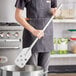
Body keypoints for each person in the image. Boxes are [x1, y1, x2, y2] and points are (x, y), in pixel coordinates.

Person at [15, 0, 57, 76]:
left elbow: (53, 9)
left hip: (47, 33)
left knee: (44, 70)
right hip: (31, 34)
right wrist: (33, 31)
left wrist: (56, 12)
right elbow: (18, 16)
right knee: (31, 70)